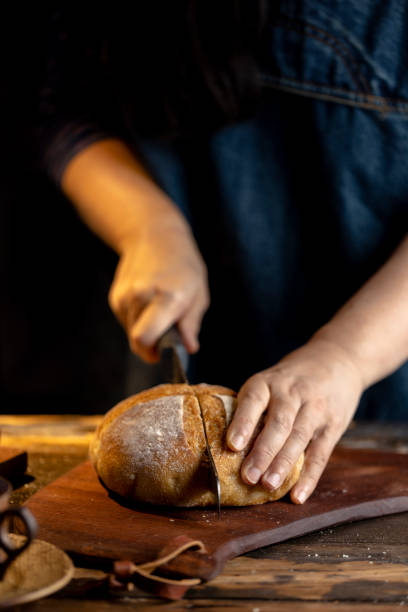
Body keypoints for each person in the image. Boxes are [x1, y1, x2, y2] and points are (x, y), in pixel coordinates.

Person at [36, 1, 408, 504]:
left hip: (384, 377)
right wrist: (148, 224)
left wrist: (346, 355)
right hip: (195, 345)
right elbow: (63, 109)